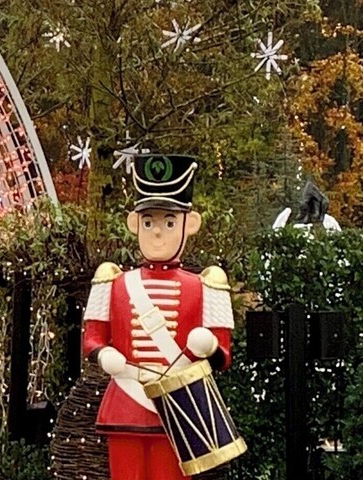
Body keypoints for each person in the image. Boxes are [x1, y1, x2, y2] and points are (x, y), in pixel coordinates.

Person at [80, 154, 235, 480]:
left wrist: (208, 346)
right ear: (134, 224)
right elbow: (92, 338)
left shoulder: (207, 285)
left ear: (189, 224)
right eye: (148, 222)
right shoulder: (114, 280)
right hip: (126, 402)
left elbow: (223, 355)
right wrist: (103, 353)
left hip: (179, 409)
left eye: (168, 222)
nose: (157, 233)